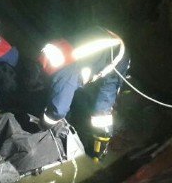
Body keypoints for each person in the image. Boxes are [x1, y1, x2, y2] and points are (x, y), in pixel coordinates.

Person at [34, 26, 130, 159]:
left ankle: (99, 150)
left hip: (116, 57)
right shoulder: (47, 54)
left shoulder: (64, 74)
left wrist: (43, 124)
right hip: (100, 40)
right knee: (75, 88)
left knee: (101, 111)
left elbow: (58, 111)